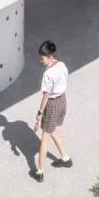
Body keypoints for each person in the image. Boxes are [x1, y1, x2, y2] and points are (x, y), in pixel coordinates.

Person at [31, 40, 72, 182]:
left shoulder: (48, 74)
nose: (40, 60)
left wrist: (39, 113)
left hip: (52, 104)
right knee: (52, 129)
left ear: (49, 56)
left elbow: (46, 95)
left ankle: (40, 171)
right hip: (62, 100)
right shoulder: (62, 65)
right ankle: (66, 158)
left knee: (44, 138)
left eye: (42, 58)